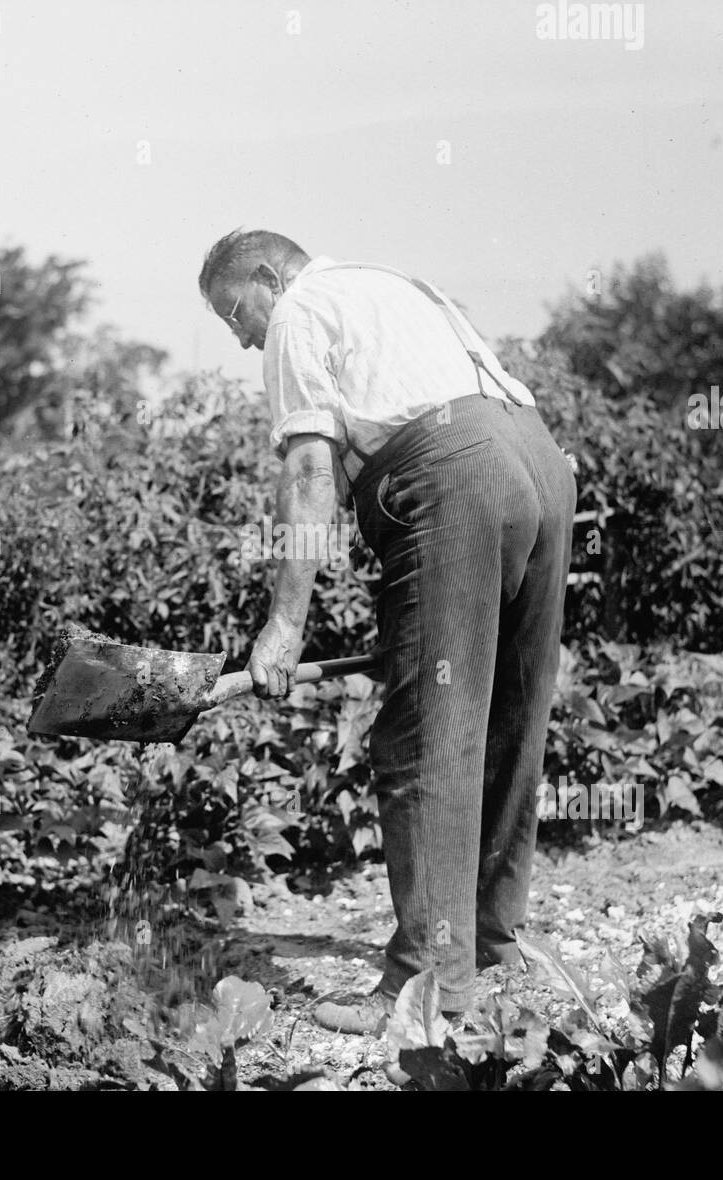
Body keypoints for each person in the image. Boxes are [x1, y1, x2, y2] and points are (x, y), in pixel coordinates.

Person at [197, 228, 576, 1052]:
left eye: (235, 312)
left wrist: (284, 628)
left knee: (421, 734)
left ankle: (426, 984)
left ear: (268, 276)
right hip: (540, 464)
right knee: (512, 715)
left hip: (455, 473)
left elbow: (307, 472)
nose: (242, 336)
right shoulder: (392, 284)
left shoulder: (300, 310)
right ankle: (492, 944)